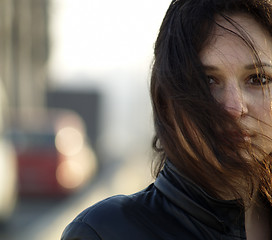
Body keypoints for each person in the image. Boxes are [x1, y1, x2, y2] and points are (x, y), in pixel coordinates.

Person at [61, 0, 272, 239]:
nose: (234, 107)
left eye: (258, 79)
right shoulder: (104, 232)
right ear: (165, 101)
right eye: (207, 81)